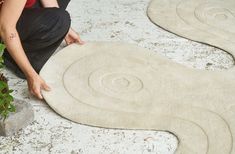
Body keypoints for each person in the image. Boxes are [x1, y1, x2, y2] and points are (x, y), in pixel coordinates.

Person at [0, 0, 84, 99]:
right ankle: (13, 57)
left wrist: (66, 29)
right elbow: (5, 28)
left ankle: (18, 45)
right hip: (4, 23)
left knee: (60, 19)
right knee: (60, 19)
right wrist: (30, 74)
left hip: (14, 10)